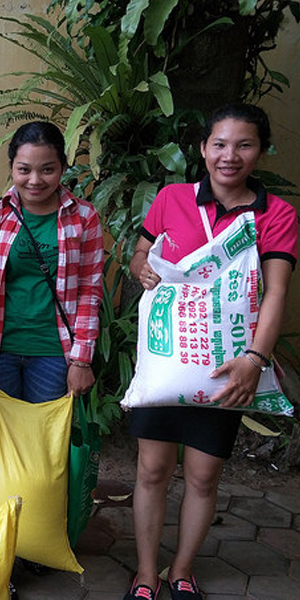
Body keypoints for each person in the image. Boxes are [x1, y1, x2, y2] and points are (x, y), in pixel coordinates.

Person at [124, 103, 297, 600]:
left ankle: (181, 571)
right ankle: (143, 573)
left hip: (228, 369)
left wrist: (254, 361)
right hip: (164, 365)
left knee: (202, 476)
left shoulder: (276, 215)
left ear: (261, 152)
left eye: (244, 145)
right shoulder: (172, 199)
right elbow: (142, 252)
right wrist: (142, 267)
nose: (230, 156)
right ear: (202, 149)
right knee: (152, 469)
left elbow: (277, 292)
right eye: (219, 144)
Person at [0, 121, 104, 406]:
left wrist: (81, 361)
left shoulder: (84, 218)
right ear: (12, 167)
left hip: (54, 354)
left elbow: (90, 291)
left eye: (47, 169)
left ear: (63, 168)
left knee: (44, 444)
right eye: (24, 169)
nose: (35, 180)